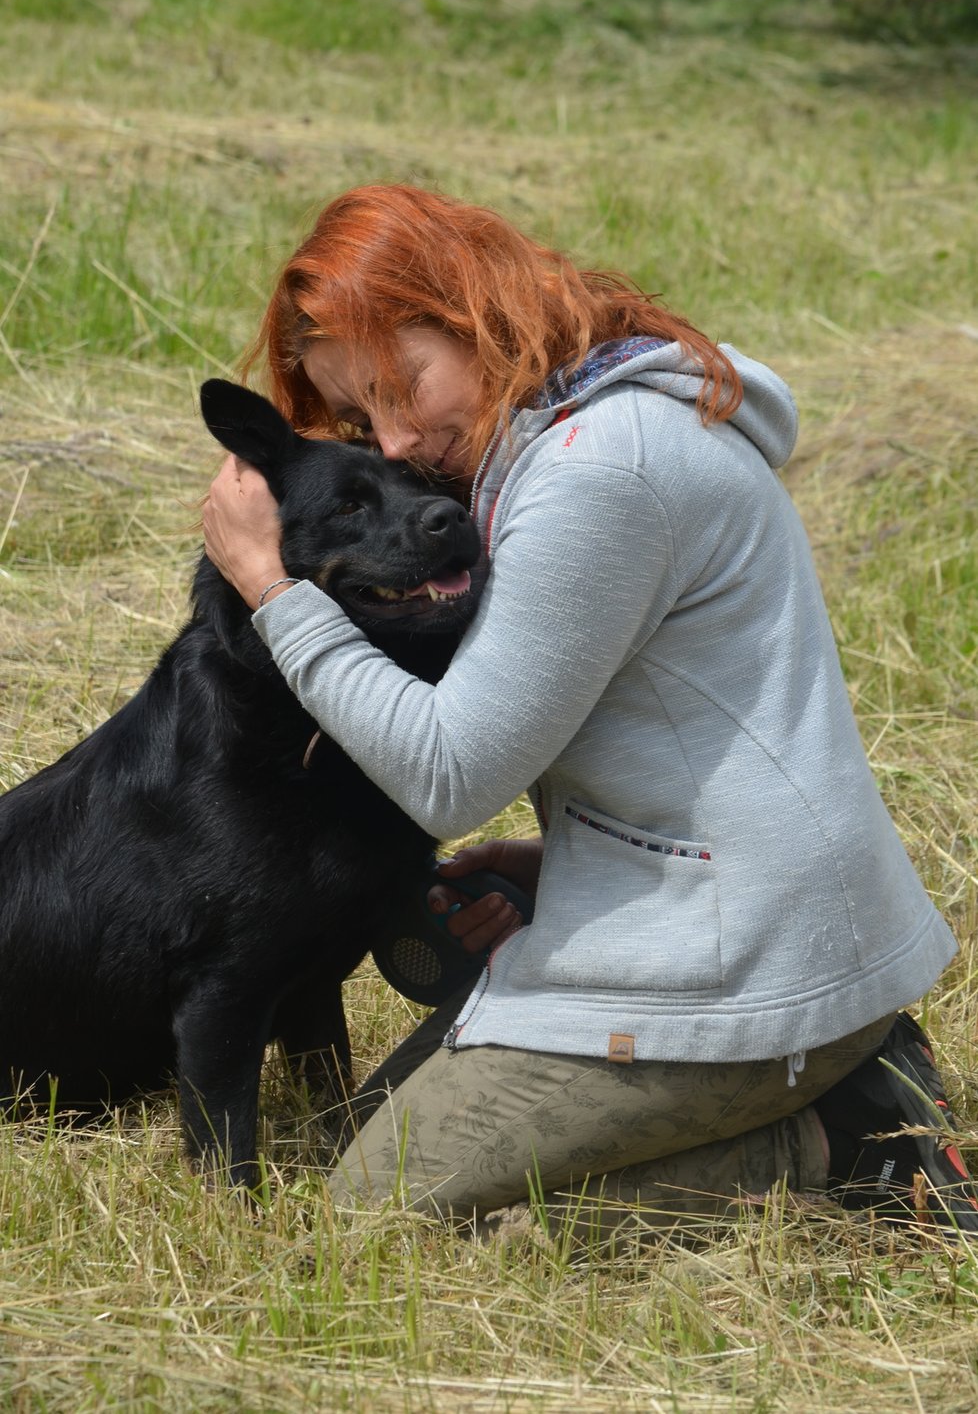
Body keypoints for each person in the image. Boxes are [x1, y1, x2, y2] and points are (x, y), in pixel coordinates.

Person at [202, 183, 977, 1240]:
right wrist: (573, 863)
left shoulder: (598, 471)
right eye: (358, 412)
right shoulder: (573, 433)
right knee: (373, 1144)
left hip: (754, 966)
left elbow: (449, 772)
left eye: (401, 383)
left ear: (474, 308)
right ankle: (834, 1084)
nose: (389, 440)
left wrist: (273, 593)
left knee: (385, 1226)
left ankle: (851, 1147)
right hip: (746, 922)